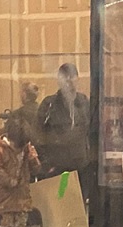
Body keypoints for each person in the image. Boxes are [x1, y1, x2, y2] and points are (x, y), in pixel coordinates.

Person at [36, 62, 93, 200]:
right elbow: (37, 135)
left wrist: (90, 159)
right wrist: (46, 164)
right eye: (65, 79)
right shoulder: (50, 104)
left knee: (79, 203)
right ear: (59, 81)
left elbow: (91, 132)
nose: (69, 82)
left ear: (77, 79)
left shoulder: (83, 102)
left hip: (81, 167)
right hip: (59, 168)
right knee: (61, 202)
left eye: (72, 78)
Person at [0, 113, 39, 227]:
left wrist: (33, 159)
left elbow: (37, 170)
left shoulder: (27, 150)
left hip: (23, 198)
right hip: (5, 200)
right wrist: (10, 181)